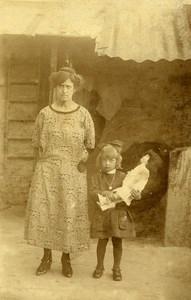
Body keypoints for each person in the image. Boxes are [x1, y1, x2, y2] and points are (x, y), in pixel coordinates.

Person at [24, 67, 95, 277]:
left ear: (74, 89)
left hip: (73, 173)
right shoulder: (45, 114)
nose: (64, 91)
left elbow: (90, 143)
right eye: (61, 86)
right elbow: (36, 143)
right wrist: (40, 168)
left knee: (68, 214)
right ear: (55, 88)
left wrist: (82, 162)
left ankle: (66, 258)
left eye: (68, 87)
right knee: (47, 213)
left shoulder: (83, 114)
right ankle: (46, 257)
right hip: (47, 171)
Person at [90, 141, 141, 281]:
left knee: (118, 242)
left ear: (117, 161)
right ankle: (99, 266)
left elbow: (131, 192)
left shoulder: (124, 177)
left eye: (111, 160)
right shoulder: (96, 177)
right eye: (104, 160)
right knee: (102, 241)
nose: (107, 163)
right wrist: (104, 193)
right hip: (103, 214)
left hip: (118, 213)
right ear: (100, 161)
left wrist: (137, 196)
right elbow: (92, 192)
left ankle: (116, 268)